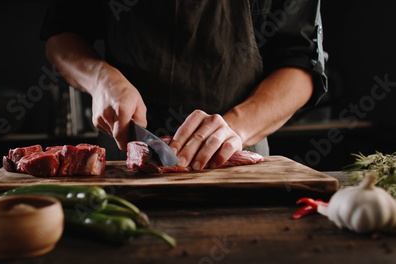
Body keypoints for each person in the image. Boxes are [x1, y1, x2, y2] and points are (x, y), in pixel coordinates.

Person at [41, 0, 327, 170]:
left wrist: (236, 127)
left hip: (233, 153)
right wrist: (101, 78)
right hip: (125, 152)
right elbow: (62, 34)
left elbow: (301, 63)